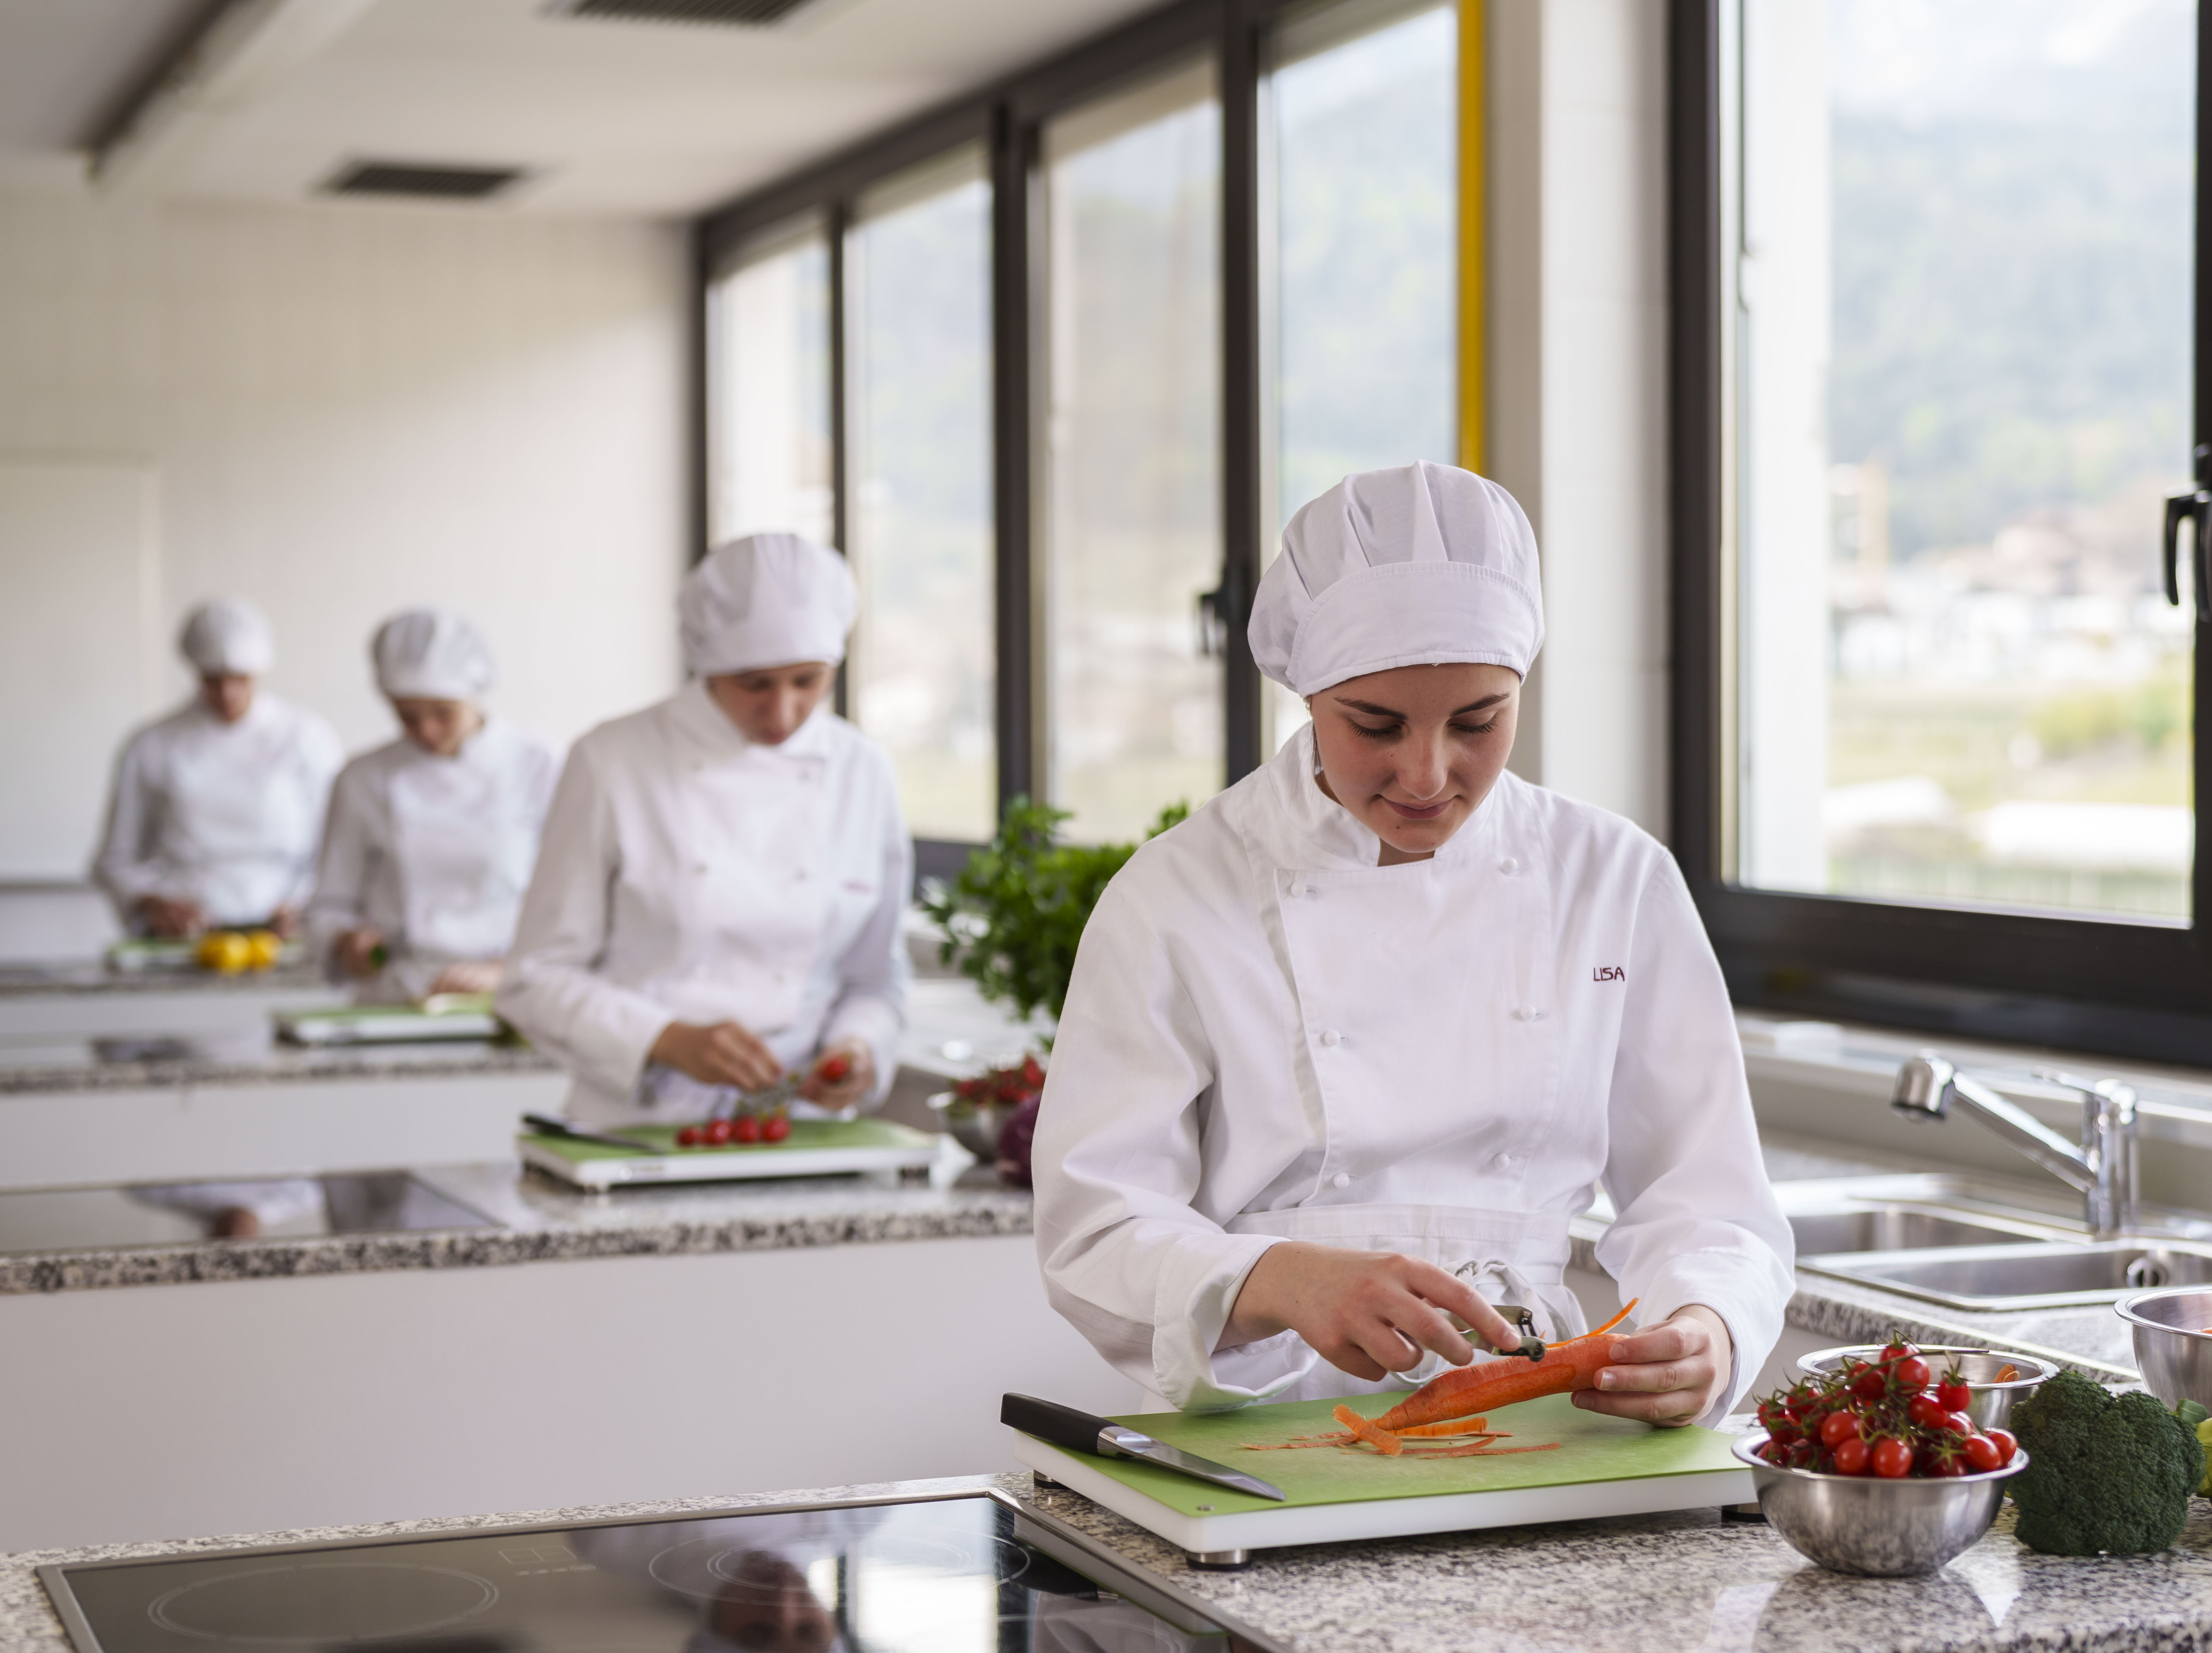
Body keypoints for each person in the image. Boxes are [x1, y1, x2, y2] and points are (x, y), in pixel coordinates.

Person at [1034, 462, 1794, 1427]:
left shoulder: (1612, 876)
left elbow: (1709, 1190)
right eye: (1376, 724)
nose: (1429, 772)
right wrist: (1276, 1276)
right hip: (1264, 1429)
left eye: (1478, 720)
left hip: (1534, 1420)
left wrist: (1710, 1321)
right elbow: (1092, 1229)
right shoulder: (1178, 893)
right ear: (1309, 695)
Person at [498, 534, 909, 1127]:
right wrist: (665, 1038)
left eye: (808, 681)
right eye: (754, 684)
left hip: (801, 1129)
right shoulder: (611, 759)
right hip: (637, 1126)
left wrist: (858, 1047)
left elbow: (877, 980)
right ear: (707, 663)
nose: (783, 713)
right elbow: (532, 980)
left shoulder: (863, 769)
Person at [304, 609, 560, 1004]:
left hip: (512, 995)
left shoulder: (537, 766)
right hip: (396, 993)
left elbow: (570, 906)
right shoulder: (362, 778)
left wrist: (506, 969)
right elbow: (328, 906)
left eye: (444, 714)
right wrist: (345, 943)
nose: (426, 731)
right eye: (407, 717)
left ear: (474, 695)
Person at [93, 598, 342, 939]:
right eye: (214, 680)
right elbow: (116, 860)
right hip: (184, 939)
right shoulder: (153, 744)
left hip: (287, 933)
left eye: (241, 679)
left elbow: (336, 850)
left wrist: (307, 905)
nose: (228, 693)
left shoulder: (306, 738)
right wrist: (151, 903)